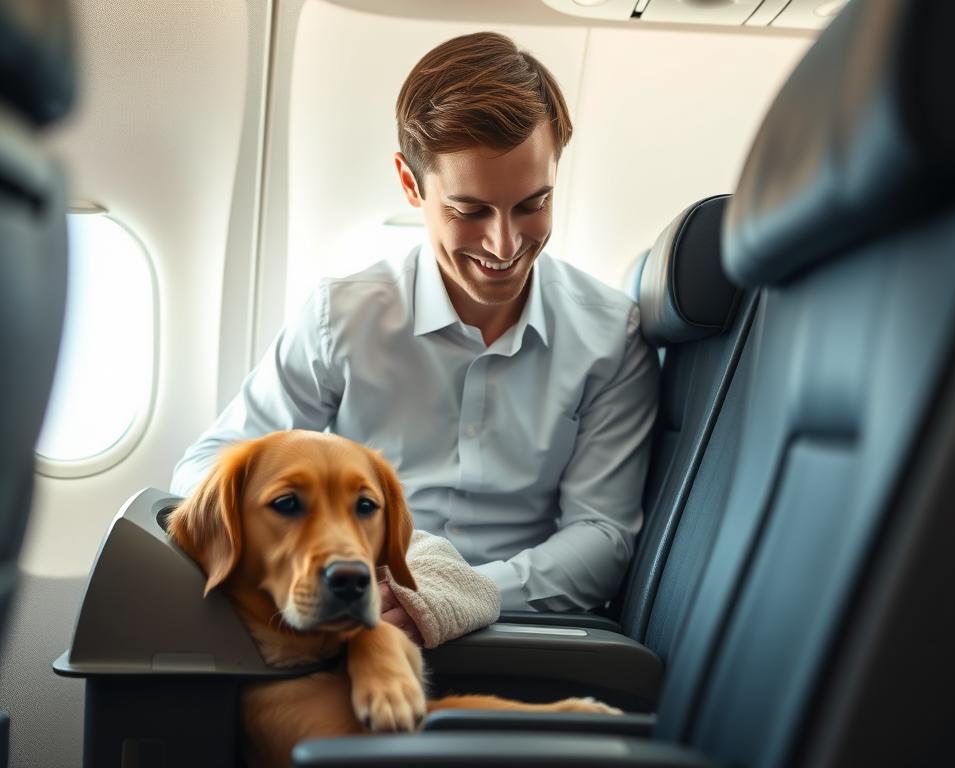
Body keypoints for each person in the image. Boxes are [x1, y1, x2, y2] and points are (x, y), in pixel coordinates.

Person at [171, 31, 659, 631]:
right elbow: (206, 469)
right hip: (358, 619)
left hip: (524, 635)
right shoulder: (343, 317)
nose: (504, 245)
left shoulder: (611, 336)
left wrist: (453, 596)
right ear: (410, 184)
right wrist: (307, 553)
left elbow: (601, 537)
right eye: (469, 210)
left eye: (533, 204)